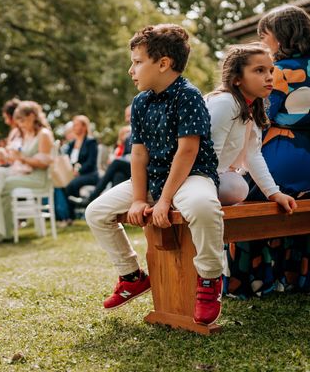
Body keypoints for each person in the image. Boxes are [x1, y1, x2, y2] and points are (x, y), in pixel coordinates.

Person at [85, 24, 224, 325]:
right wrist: (138, 199)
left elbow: (187, 152)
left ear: (163, 64)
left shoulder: (188, 96)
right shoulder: (140, 102)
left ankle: (210, 279)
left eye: (137, 62)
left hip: (191, 176)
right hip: (154, 179)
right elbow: (138, 153)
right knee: (96, 212)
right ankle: (131, 275)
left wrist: (163, 201)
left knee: (203, 207)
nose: (130, 69)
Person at [228, 5, 310, 296]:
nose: (261, 44)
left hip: (287, 160)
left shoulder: (277, 74)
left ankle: (252, 279)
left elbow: (255, 119)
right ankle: (303, 276)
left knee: (240, 197)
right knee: (304, 202)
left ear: (279, 38)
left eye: (263, 37)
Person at [206, 44, 297, 210]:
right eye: (259, 70)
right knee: (236, 187)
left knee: (237, 186)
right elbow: (208, 152)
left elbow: (252, 154)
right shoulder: (225, 103)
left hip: (217, 177)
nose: (270, 77)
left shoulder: (251, 108)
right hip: (195, 177)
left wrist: (274, 193)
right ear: (236, 79)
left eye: (271, 70)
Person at [0, 101, 54, 244]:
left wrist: (22, 158)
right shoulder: (26, 134)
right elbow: (20, 158)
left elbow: (44, 164)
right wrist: (7, 156)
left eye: (22, 120)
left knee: (1, 186)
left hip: (38, 178)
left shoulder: (44, 134)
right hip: (23, 174)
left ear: (32, 116)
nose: (20, 124)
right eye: (18, 121)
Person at [76, 104, 133, 207]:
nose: (126, 119)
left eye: (129, 115)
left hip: (141, 166)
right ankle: (116, 210)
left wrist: (119, 159)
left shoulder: (141, 131)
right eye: (126, 116)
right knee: (117, 174)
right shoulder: (128, 135)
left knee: (116, 163)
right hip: (129, 167)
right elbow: (125, 154)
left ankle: (92, 197)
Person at [63, 115, 99, 221]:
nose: (74, 127)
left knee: (71, 185)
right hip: (73, 174)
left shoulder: (90, 142)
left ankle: (72, 216)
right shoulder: (71, 144)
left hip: (90, 174)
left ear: (84, 127)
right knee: (63, 185)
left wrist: (79, 171)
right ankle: (65, 214)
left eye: (76, 125)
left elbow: (91, 162)